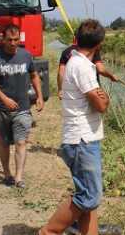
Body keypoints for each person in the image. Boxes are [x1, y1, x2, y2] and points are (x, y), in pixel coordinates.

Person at [40, 20, 110, 235]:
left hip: (80, 138)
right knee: (89, 196)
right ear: (99, 45)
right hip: (82, 140)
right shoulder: (83, 67)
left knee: (88, 197)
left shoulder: (75, 61)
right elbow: (100, 106)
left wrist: (101, 98)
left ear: (76, 40)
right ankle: (49, 231)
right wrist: (106, 98)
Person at [0, 24, 43, 188]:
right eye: (9, 39)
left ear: (20, 39)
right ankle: (7, 174)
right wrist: (4, 99)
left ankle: (19, 178)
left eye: (16, 39)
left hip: (23, 109)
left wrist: (39, 96)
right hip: (1, 109)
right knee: (4, 142)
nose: (13, 43)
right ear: (3, 39)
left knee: (21, 142)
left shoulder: (26, 55)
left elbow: (34, 75)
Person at [57, 35, 118, 100]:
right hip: (93, 88)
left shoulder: (66, 52)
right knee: (99, 106)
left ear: (74, 38)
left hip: (73, 92)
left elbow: (61, 73)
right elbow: (100, 70)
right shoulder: (93, 50)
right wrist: (111, 76)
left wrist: (60, 89)